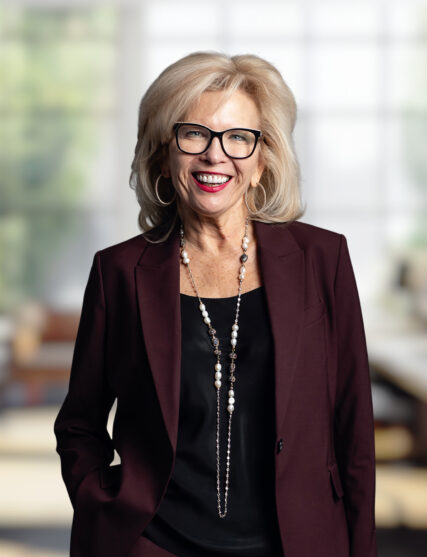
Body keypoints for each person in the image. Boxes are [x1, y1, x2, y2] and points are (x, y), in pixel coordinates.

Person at [54, 51, 377, 557]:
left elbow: (353, 427)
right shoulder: (117, 272)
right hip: (156, 545)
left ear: (262, 160)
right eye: (193, 135)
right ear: (164, 154)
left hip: (298, 543)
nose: (214, 155)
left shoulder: (323, 258)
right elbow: (80, 423)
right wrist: (105, 508)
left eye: (237, 138)